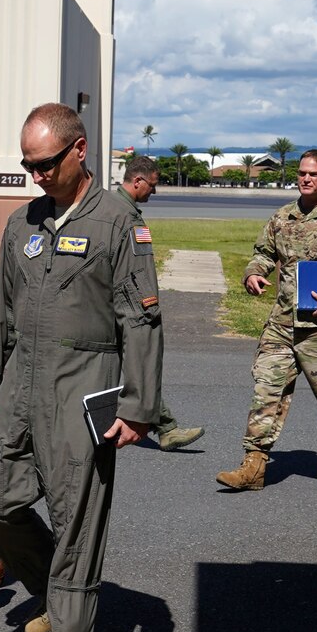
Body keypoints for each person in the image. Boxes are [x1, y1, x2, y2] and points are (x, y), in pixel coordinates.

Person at [0, 102, 163, 632]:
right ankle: (56, 597)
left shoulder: (117, 221)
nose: (36, 175)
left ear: (79, 151)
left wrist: (138, 405)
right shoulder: (22, 222)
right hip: (22, 387)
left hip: (84, 386)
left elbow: (142, 318)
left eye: (45, 163)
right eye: (27, 164)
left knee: (75, 522)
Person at [217, 149, 317, 491]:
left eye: (314, 174)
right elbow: (263, 252)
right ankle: (253, 465)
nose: (305, 179)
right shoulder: (283, 216)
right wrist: (254, 274)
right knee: (266, 390)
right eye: (302, 173)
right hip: (282, 324)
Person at [118, 155, 203, 452]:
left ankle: (166, 427)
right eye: (152, 186)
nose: (154, 191)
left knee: (134, 368)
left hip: (126, 303)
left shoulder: (125, 210)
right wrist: (144, 304)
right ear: (137, 181)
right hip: (124, 307)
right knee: (137, 368)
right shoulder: (121, 214)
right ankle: (165, 427)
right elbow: (127, 270)